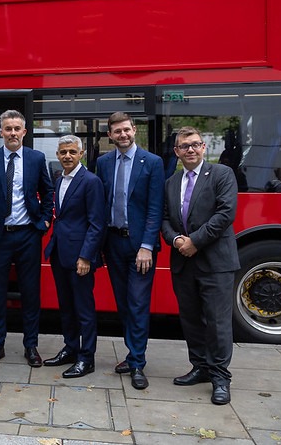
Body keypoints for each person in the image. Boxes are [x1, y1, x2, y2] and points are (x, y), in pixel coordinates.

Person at [162, 126, 240, 405]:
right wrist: (176, 240)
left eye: (195, 144)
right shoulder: (171, 182)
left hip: (215, 262)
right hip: (183, 262)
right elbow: (165, 219)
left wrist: (194, 241)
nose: (190, 150)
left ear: (204, 147)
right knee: (191, 319)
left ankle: (220, 377)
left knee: (218, 323)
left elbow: (225, 213)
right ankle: (200, 367)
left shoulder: (222, 174)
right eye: (184, 146)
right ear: (177, 152)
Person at [0, 110, 54, 367]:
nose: (12, 133)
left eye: (16, 129)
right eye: (7, 129)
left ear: (24, 132)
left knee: (30, 293)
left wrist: (43, 222)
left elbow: (48, 191)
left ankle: (31, 345)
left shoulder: (36, 158)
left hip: (28, 235)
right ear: (1, 132)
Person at [95, 112, 164, 390]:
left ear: (134, 130)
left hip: (140, 247)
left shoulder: (153, 162)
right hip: (113, 243)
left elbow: (155, 207)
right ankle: (132, 352)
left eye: (126, 130)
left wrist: (147, 246)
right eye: (117, 131)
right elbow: (100, 206)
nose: (122, 135)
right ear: (110, 135)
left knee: (137, 303)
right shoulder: (103, 163)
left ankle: (137, 363)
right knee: (123, 304)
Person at [43, 136, 105, 378]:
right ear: (57, 155)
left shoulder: (91, 181)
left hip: (80, 257)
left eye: (72, 152)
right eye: (62, 152)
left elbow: (96, 223)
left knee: (84, 309)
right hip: (60, 253)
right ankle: (71, 348)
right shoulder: (59, 179)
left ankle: (86, 358)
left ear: (81, 153)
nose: (67, 156)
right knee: (66, 307)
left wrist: (86, 257)